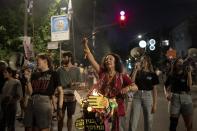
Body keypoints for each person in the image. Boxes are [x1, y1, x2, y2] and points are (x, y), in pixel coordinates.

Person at [82, 37, 138, 131]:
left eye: (110, 59)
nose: (107, 60)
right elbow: (91, 59)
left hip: (116, 108)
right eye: (106, 59)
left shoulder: (122, 76)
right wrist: (85, 45)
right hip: (102, 107)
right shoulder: (102, 73)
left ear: (115, 62)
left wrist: (128, 88)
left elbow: (135, 87)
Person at [23, 53, 64, 131]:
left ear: (45, 61)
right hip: (32, 101)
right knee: (28, 127)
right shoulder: (34, 75)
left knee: (43, 128)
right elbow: (31, 92)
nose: (36, 62)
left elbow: (60, 91)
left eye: (38, 60)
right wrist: (28, 80)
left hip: (44, 102)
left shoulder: (54, 74)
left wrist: (59, 108)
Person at [128, 55, 159, 131]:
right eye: (141, 60)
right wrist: (135, 70)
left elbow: (155, 90)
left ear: (148, 62)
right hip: (136, 96)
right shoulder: (137, 71)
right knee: (133, 120)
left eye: (144, 60)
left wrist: (155, 104)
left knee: (148, 120)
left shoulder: (152, 74)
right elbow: (131, 82)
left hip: (148, 96)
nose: (142, 62)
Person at [56, 51, 83, 131]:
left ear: (69, 58)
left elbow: (80, 83)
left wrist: (74, 84)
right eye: (63, 57)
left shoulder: (77, 69)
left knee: (70, 116)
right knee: (60, 117)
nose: (63, 59)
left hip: (72, 98)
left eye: (64, 57)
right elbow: (56, 83)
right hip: (61, 98)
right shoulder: (59, 70)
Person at [165, 58, 193, 131]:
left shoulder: (186, 73)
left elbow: (189, 86)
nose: (181, 64)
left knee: (189, 125)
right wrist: (166, 94)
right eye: (179, 62)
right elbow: (165, 85)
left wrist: (189, 73)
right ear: (175, 64)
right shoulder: (171, 75)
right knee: (173, 125)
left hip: (186, 98)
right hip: (174, 99)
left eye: (182, 62)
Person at [0, 67, 23, 131]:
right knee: (2, 123)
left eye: (5, 72)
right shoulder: (5, 82)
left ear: (10, 73)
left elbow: (19, 95)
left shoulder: (16, 82)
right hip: (3, 106)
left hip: (11, 106)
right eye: (3, 72)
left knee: (10, 125)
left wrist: (11, 100)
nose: (3, 74)